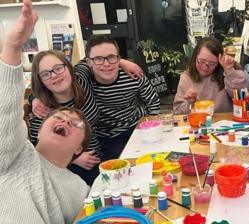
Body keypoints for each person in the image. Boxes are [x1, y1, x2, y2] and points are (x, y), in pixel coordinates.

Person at [0, 1, 89, 223]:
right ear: (36, 132)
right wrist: (12, 50)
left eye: (76, 124)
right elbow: (6, 119)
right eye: (58, 117)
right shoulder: (15, 156)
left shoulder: (80, 190)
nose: (66, 121)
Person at [74, 34, 160, 161]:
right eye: (98, 59)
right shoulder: (83, 80)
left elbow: (152, 100)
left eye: (111, 57)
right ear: (89, 62)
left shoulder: (132, 74)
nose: (106, 64)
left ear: (119, 58)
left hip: (137, 126)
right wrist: (34, 99)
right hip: (106, 135)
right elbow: (72, 71)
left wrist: (152, 127)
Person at [30, 50, 101, 185]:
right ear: (40, 81)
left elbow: (97, 58)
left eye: (58, 68)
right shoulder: (43, 111)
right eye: (45, 74)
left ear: (68, 67)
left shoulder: (82, 79)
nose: (54, 75)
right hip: (70, 170)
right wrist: (73, 158)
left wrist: (123, 61)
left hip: (101, 154)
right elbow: (37, 152)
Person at [173, 37, 248, 114]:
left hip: (225, 123)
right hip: (198, 123)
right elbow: (178, 112)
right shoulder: (186, 78)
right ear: (195, 57)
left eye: (212, 64)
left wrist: (229, 71)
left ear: (218, 63)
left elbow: (242, 97)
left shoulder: (226, 73)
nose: (206, 67)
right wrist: (190, 104)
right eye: (202, 61)